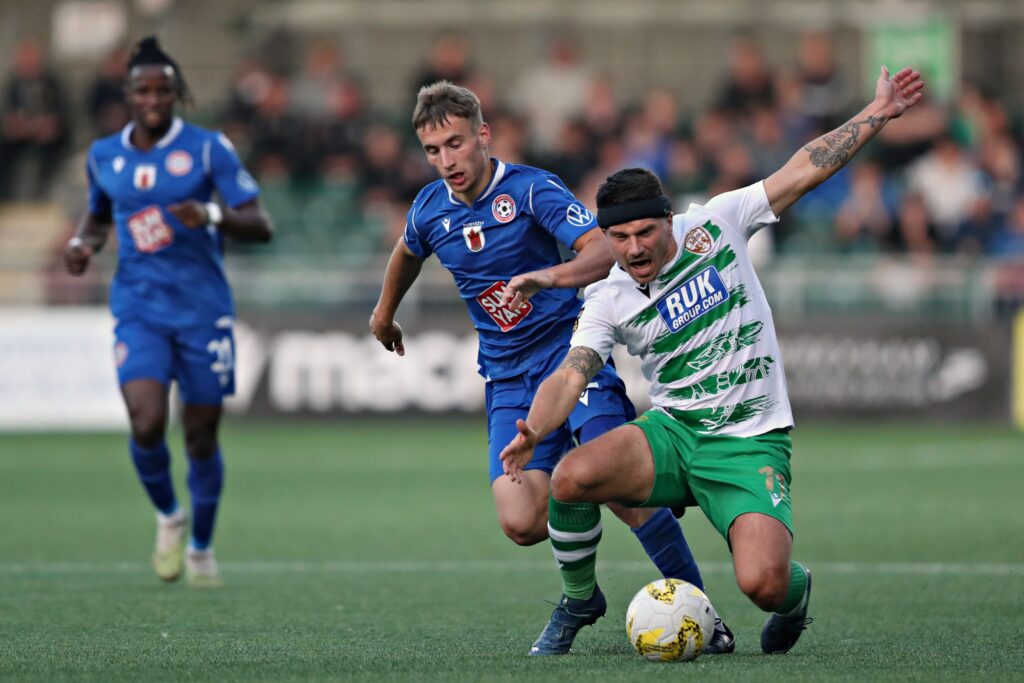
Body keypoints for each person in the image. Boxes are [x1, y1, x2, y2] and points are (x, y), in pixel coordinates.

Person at [501, 66, 924, 655]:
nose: (634, 249)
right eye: (618, 239)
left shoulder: (719, 223)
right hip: (674, 433)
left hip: (749, 440)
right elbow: (572, 373)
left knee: (763, 584)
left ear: (669, 221)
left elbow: (804, 168)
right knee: (570, 479)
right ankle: (577, 601)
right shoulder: (607, 296)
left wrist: (877, 111)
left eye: (645, 233)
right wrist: (534, 430)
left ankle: (797, 594)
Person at [370, 81, 733, 655]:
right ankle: (586, 597)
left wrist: (549, 277)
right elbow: (406, 251)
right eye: (433, 151)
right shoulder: (429, 208)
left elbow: (598, 249)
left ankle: (703, 613)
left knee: (626, 491)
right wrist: (384, 314)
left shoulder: (532, 190)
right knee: (521, 520)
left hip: (572, 359)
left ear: (483, 135)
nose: (446, 161)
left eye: (456, 144)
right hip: (509, 378)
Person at [63, 37, 273, 587]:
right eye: (143, 90)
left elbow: (259, 224)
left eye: (163, 89)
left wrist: (207, 212)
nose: (153, 99)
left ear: (176, 92)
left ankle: (201, 547)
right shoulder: (104, 155)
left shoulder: (208, 150)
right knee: (147, 420)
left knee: (201, 436)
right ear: (128, 94)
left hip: (203, 312)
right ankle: (168, 515)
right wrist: (82, 246)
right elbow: (96, 218)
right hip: (139, 309)